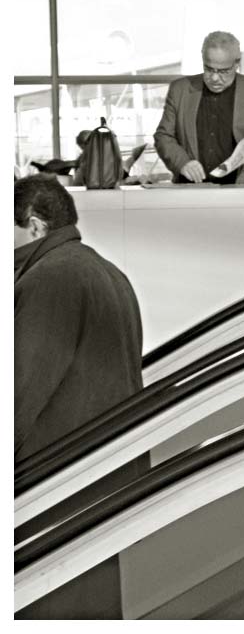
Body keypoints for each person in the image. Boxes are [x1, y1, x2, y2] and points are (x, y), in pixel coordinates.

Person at [14, 173, 145, 618]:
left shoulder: (50, 280)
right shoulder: (107, 271)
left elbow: (19, 393)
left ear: (34, 226)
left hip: (56, 484)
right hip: (99, 478)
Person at [154, 31, 244, 184]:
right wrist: (182, 163)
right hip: (191, 190)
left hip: (242, 191)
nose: (214, 78)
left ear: (237, 63)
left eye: (223, 71)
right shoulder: (179, 90)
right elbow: (163, 136)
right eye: (209, 69)